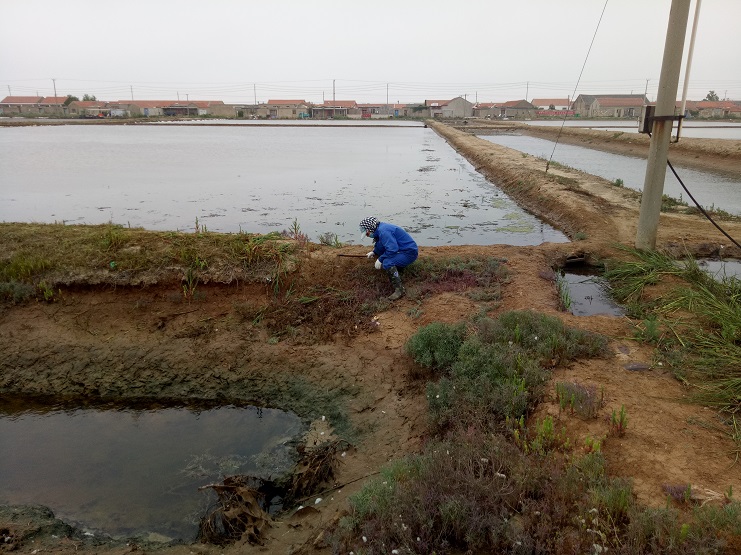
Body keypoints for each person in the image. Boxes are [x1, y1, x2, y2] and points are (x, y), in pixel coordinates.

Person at [359, 216, 418, 301]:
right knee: (385, 257)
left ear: (370, 229)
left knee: (387, 262)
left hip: (409, 253)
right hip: (401, 250)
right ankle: (398, 272)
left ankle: (399, 290)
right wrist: (374, 252)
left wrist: (380, 259)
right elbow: (381, 244)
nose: (368, 236)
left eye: (367, 234)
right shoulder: (379, 229)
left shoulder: (384, 231)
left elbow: (392, 249)